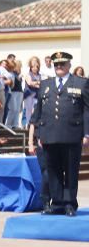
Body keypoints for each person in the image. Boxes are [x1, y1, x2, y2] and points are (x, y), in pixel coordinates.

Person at [28, 51, 89, 216]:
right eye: (56, 65)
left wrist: (86, 134)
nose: (59, 67)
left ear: (69, 65)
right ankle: (57, 203)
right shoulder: (45, 84)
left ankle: (69, 203)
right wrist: (38, 135)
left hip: (72, 134)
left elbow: (86, 111)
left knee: (70, 170)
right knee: (53, 170)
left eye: (62, 64)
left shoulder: (81, 83)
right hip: (49, 135)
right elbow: (39, 112)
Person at [23, 56, 44, 127]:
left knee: (35, 109)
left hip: (36, 95)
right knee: (28, 109)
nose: (35, 68)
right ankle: (27, 123)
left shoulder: (40, 75)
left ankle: (35, 123)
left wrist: (35, 83)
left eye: (36, 67)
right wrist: (38, 83)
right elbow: (29, 83)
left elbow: (42, 84)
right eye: (33, 67)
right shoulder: (28, 74)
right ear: (31, 68)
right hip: (29, 94)